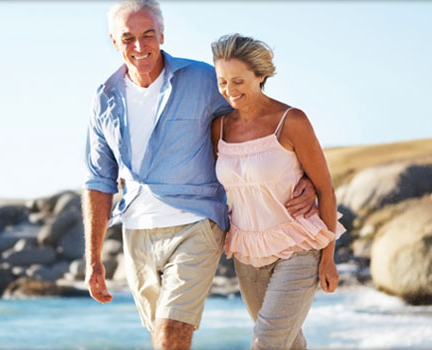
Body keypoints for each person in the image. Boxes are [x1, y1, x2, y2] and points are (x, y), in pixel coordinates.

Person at [82, 1, 318, 349]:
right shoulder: (104, 98)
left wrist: (306, 176)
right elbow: (98, 180)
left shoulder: (203, 79)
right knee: (161, 335)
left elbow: (260, 121)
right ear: (114, 42)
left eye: (148, 35)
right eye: (128, 38)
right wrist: (93, 259)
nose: (139, 46)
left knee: (171, 334)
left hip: (197, 221)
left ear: (161, 35)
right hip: (137, 230)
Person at [210, 33, 346, 350]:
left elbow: (325, 189)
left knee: (267, 342)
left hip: (298, 248)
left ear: (260, 75)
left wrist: (328, 259)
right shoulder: (219, 128)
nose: (230, 91)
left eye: (239, 81)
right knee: (288, 343)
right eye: (222, 82)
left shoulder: (291, 120)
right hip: (246, 253)